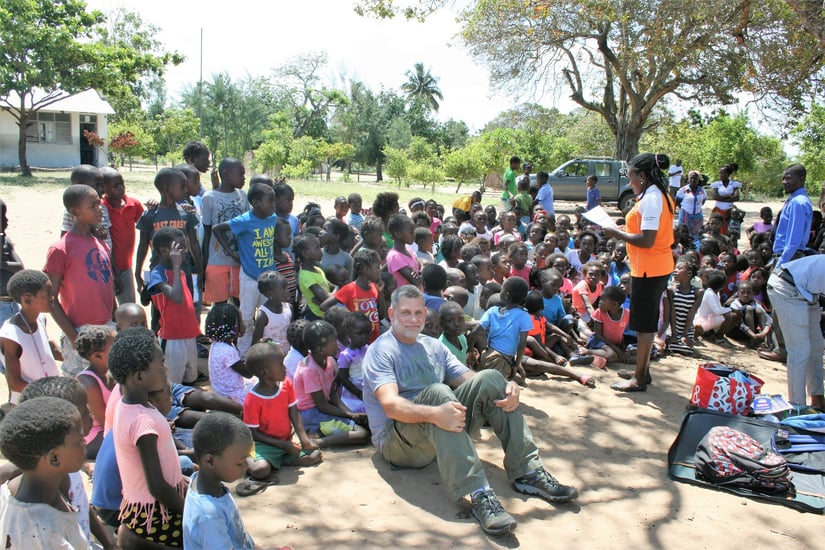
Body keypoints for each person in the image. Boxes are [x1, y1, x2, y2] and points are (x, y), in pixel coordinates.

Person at [362, 285, 578, 536]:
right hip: (398, 445)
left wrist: (506, 387)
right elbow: (390, 405)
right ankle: (479, 493)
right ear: (391, 313)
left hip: (438, 431)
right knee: (438, 393)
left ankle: (527, 470)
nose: (413, 319)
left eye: (418, 313)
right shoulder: (381, 350)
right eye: (405, 313)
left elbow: (470, 379)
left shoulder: (432, 346)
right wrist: (434, 414)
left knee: (491, 378)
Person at [602, 153, 675, 392]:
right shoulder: (655, 195)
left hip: (649, 269)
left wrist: (617, 234)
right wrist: (623, 228)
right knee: (647, 321)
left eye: (631, 175)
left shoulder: (652, 199)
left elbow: (647, 239)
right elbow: (645, 230)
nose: (629, 180)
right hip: (654, 266)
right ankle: (642, 371)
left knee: (644, 326)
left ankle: (639, 379)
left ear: (642, 176)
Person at [109, 327, 186, 549]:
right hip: (157, 514)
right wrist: (188, 510)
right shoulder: (142, 421)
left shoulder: (127, 406)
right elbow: (157, 486)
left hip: (143, 509)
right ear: (140, 377)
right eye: (160, 364)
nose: (165, 369)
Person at [0, 397, 91, 549]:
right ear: (54, 458)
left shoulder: (26, 485)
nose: (85, 442)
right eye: (79, 441)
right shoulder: (44, 537)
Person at [45, 184, 115, 377]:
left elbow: (107, 285)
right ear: (74, 211)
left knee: (108, 384)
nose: (99, 209)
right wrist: (74, 337)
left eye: (99, 204)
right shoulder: (60, 249)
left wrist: (115, 322)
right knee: (81, 386)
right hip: (80, 331)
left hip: (107, 328)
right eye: (92, 206)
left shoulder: (101, 244)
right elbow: (51, 299)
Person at [242, 343, 322, 489]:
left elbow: (294, 412)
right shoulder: (252, 399)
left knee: (315, 455)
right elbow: (254, 434)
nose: (285, 367)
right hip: (263, 445)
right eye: (280, 364)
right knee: (260, 470)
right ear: (264, 371)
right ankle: (248, 458)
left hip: (284, 441)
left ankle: (281, 459)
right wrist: (283, 445)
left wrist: (304, 440)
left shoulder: (286, 384)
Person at [212, 182, 278, 356]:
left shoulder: (272, 218)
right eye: (269, 201)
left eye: (274, 201)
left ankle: (265, 353)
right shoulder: (245, 220)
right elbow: (217, 229)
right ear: (256, 202)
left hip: (269, 279)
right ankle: (242, 354)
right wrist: (232, 253)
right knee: (246, 318)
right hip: (249, 278)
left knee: (268, 318)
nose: (273, 205)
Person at [183, 413, 260, 549]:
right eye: (240, 463)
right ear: (210, 461)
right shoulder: (209, 517)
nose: (246, 466)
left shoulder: (210, 483)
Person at [293, 321, 369, 447]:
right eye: (333, 341)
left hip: (323, 409)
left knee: (364, 423)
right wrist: (351, 415)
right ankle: (318, 442)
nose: (337, 344)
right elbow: (322, 405)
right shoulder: (309, 370)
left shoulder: (328, 361)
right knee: (362, 434)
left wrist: (352, 415)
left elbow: (333, 396)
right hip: (312, 414)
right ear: (320, 349)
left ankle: (321, 433)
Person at [767, 254, 825, 409]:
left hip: (808, 292)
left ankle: (818, 399)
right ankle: (797, 406)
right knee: (800, 351)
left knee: (816, 346)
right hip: (786, 287)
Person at [146, 227, 201, 384]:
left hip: (189, 334)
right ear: (164, 251)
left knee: (190, 378)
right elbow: (176, 298)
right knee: (172, 383)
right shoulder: (158, 274)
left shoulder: (181, 273)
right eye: (180, 247)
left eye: (185, 246)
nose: (185, 251)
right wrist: (176, 267)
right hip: (172, 338)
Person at [0, 270, 60, 404]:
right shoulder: (10, 336)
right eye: (47, 294)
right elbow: (15, 383)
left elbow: (42, 345)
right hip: (30, 404)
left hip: (50, 397)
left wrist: (63, 353)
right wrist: (46, 392)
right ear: (27, 299)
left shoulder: (40, 318)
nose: (52, 298)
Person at [201, 157, 249, 307]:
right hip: (217, 261)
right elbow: (207, 232)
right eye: (240, 174)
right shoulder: (210, 198)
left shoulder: (243, 196)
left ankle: (240, 330)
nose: (244, 178)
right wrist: (204, 265)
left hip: (239, 261)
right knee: (220, 304)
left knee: (241, 302)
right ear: (226, 174)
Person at [101, 167, 144, 305]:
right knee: (107, 307)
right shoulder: (101, 208)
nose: (121, 188)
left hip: (125, 266)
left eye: (122, 184)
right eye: (115, 186)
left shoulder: (133, 204)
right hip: (105, 267)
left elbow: (145, 225)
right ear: (103, 188)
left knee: (128, 306)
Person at [322, 248, 381, 342]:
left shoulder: (374, 287)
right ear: (366, 269)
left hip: (374, 339)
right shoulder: (349, 289)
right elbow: (324, 306)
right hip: (358, 341)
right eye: (377, 267)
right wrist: (346, 322)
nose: (380, 270)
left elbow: (378, 314)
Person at [75, 325, 115, 459]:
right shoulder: (88, 383)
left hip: (110, 429)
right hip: (93, 437)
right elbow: (106, 422)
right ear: (98, 355)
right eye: (114, 347)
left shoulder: (109, 373)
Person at [206, 303, 254, 406]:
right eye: (240, 321)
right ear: (233, 327)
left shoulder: (217, 344)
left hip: (221, 393)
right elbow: (249, 374)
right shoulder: (227, 351)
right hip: (234, 398)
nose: (243, 324)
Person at [252, 271, 292, 354]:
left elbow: (291, 334)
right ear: (270, 293)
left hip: (287, 355)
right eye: (283, 288)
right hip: (272, 358)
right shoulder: (263, 314)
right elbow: (255, 344)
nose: (287, 291)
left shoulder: (288, 308)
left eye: (286, 287)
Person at [295, 234, 333, 321]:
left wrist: (333, 293)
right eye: (317, 248)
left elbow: (333, 287)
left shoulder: (317, 269)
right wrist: (334, 294)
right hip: (316, 317)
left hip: (325, 314)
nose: (321, 251)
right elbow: (325, 298)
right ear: (305, 253)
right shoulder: (305, 276)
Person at [675, 170, 706, 246]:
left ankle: (695, 250)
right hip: (685, 216)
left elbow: (703, 200)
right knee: (683, 234)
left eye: (695, 178)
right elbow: (677, 201)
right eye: (691, 178)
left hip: (697, 217)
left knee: (696, 235)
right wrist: (684, 208)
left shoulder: (702, 190)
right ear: (688, 179)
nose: (693, 180)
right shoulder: (683, 190)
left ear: (698, 180)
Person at [708, 163, 741, 235]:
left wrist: (721, 198)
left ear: (728, 174)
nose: (720, 175)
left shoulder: (734, 184)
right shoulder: (716, 184)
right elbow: (715, 197)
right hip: (718, 211)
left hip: (730, 211)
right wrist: (729, 197)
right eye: (720, 173)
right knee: (716, 229)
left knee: (730, 230)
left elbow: (736, 197)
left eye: (723, 173)